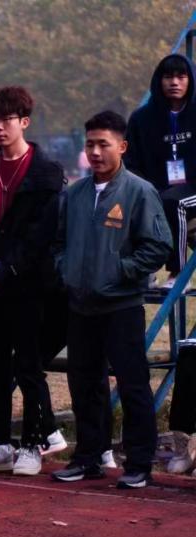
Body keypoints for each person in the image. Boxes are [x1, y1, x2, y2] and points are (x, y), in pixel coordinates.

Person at [51, 111, 171, 489]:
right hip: (80, 307)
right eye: (90, 144)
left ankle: (139, 463)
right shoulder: (75, 194)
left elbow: (158, 246)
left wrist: (119, 270)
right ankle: (88, 458)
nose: (96, 152)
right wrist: (66, 270)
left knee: (133, 385)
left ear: (122, 146)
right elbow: (58, 243)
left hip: (121, 307)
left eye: (104, 144)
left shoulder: (139, 191)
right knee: (84, 385)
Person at [0, 86, 66, 477]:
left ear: (24, 121)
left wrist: (9, 266)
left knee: (28, 366)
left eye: (7, 119)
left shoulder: (45, 171)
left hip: (29, 285)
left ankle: (34, 443)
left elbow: (41, 234)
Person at [125, 54, 196, 290]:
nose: (174, 82)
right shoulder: (141, 118)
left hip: (192, 188)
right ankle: (143, 272)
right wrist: (145, 189)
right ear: (159, 80)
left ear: (190, 80)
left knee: (174, 203)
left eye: (181, 76)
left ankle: (179, 273)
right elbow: (130, 161)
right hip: (158, 188)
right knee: (127, 203)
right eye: (168, 77)